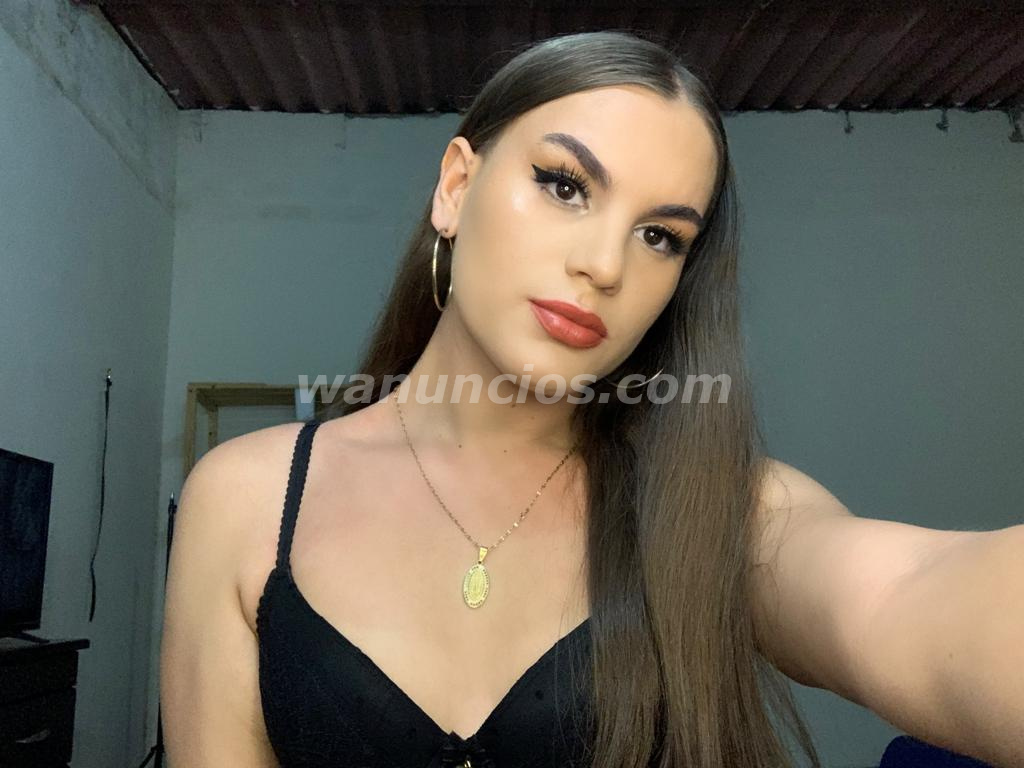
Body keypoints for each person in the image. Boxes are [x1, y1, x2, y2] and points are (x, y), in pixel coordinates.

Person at [159, 29, 1023, 768]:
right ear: (456, 187)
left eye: (660, 236)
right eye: (565, 185)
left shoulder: (716, 509)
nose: (606, 265)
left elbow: (906, 596)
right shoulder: (247, 499)